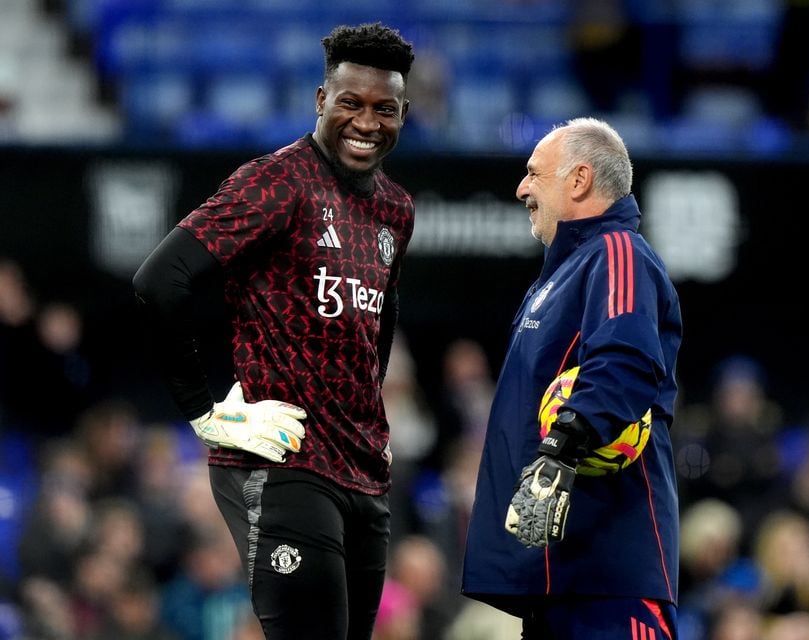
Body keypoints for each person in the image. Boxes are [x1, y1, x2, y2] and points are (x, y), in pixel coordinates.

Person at [132, 22, 416, 640]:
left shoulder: (397, 207)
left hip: (363, 468)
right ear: (321, 101)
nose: (366, 122)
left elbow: (380, 313)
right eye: (350, 103)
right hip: (282, 457)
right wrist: (203, 411)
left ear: (403, 113)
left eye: (383, 109)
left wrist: (373, 412)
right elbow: (160, 280)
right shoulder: (277, 181)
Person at [461, 118, 683, 638]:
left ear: (579, 179)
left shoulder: (618, 252)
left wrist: (561, 448)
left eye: (534, 174)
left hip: (610, 577)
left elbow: (625, 359)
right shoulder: (560, 275)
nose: (521, 189)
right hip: (557, 580)